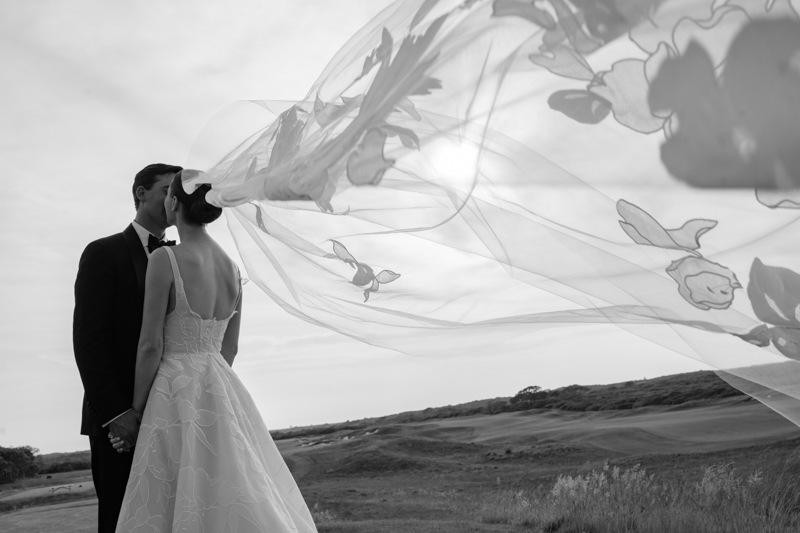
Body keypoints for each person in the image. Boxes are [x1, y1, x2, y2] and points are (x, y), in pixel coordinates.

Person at [110, 170, 316, 533]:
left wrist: (138, 410)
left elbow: (151, 344)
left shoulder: (166, 259)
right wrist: (212, 384)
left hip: (172, 389)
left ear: (174, 203)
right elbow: (230, 347)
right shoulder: (233, 269)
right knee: (232, 482)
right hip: (219, 382)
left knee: (175, 492)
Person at [73, 163, 182, 533]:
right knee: (122, 519)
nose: (174, 198)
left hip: (172, 409)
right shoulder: (104, 252)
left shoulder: (182, 259)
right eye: (168, 189)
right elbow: (89, 340)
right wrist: (117, 414)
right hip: (118, 423)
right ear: (141, 193)